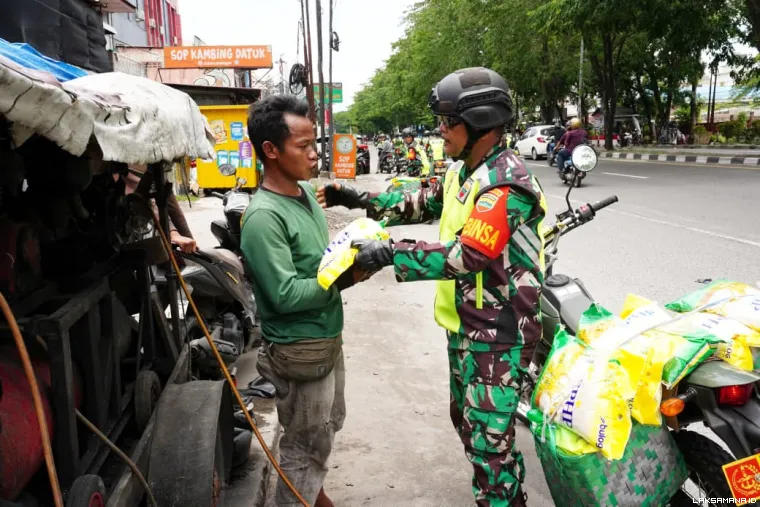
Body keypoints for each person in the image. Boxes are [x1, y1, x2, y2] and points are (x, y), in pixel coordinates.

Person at [318, 67, 547, 507]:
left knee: (489, 448)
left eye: (448, 122)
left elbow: (467, 255)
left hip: (499, 335)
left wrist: (390, 253)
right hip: (466, 327)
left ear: (479, 124)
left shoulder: (505, 183)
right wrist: (358, 198)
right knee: (472, 428)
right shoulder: (465, 171)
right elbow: (421, 201)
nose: (440, 130)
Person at [240, 95, 369, 507]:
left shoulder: (305, 195)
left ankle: (316, 495)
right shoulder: (264, 217)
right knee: (303, 447)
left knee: (324, 428)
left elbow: (320, 261)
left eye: (315, 143)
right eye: (304, 146)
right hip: (300, 350)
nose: (315, 154)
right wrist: (346, 276)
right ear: (271, 150)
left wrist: (355, 252)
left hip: (325, 338)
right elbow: (284, 295)